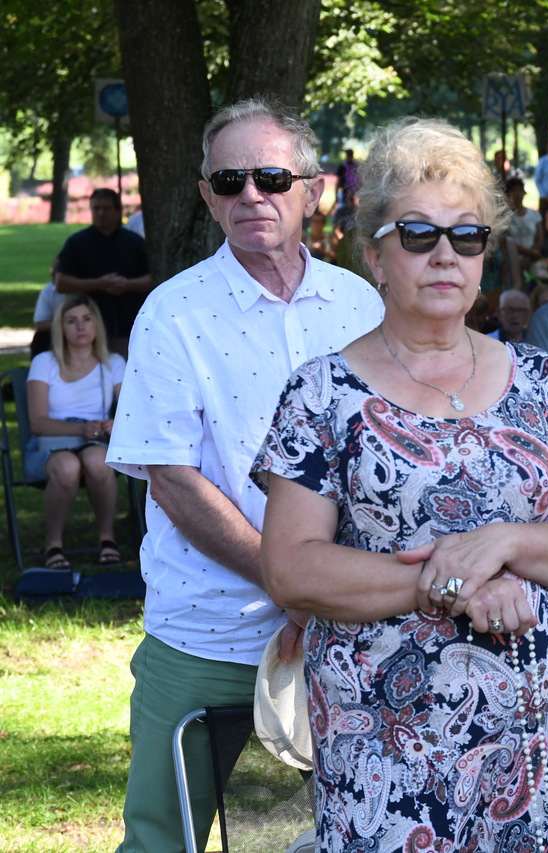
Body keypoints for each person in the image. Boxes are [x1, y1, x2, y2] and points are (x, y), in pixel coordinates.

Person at [252, 116, 548, 852]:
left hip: (526, 755)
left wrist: (503, 540)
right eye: (418, 234)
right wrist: (453, 585)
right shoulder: (322, 393)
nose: (445, 254)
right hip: (386, 764)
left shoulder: (542, 381)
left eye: (467, 235)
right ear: (374, 257)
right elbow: (291, 567)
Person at [105, 98, 385, 853]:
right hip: (207, 637)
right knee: (164, 840)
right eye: (230, 180)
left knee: (349, 837)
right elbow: (172, 480)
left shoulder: (362, 306)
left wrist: (332, 590)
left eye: (270, 176)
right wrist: (290, 578)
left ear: (314, 188)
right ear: (206, 194)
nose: (250, 195)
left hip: (348, 634)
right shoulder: (173, 313)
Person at [27, 295, 126, 570]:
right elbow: (37, 422)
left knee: (99, 462)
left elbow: (133, 410)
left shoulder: (113, 363)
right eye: (71, 321)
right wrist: (80, 428)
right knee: (68, 467)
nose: (80, 327)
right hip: (51, 443)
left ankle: (107, 539)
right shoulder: (45, 362)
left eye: (86, 319)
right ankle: (53, 544)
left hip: (93, 441)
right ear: (60, 327)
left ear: (96, 324)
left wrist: (115, 424)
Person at [54, 187, 152, 355]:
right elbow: (61, 282)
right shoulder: (77, 243)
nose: (100, 213)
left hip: (129, 325)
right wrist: (99, 284)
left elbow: (153, 279)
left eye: (106, 208)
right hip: (87, 328)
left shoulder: (134, 242)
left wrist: (127, 285)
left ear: (118, 211)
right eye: (96, 208)